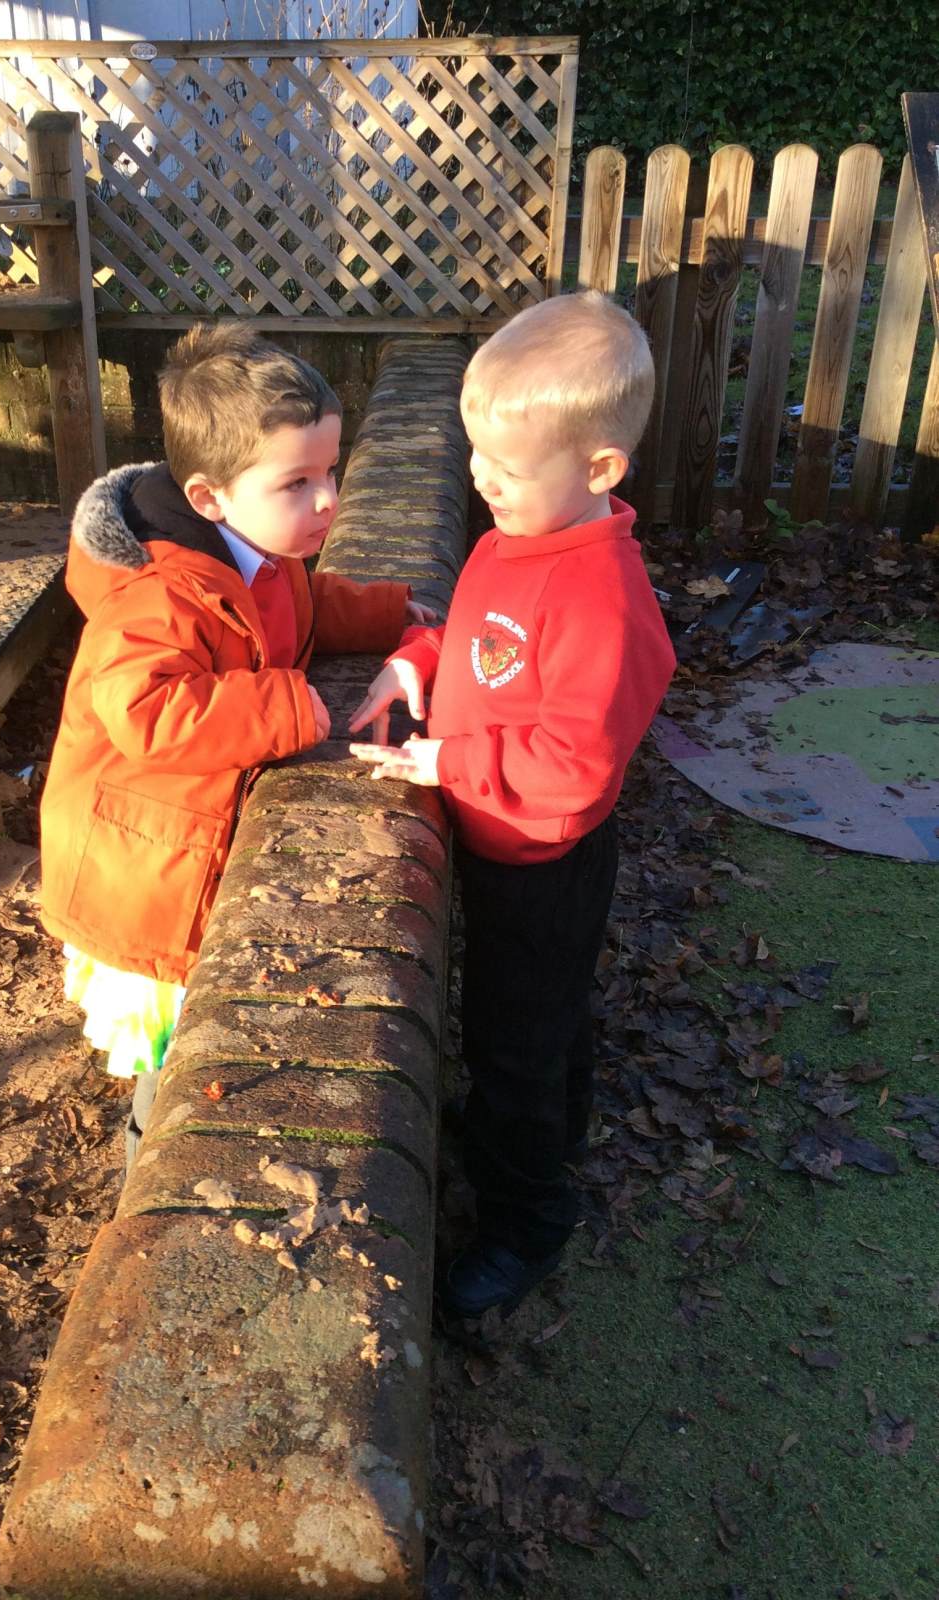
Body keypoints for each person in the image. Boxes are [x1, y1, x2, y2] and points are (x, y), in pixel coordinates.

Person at [348, 291, 676, 1320]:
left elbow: (573, 764)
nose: (481, 480)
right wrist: (417, 660)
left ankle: (529, 1217)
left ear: (599, 469)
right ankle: (550, 1127)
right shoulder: (518, 530)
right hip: (505, 842)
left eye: (507, 466)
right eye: (476, 456)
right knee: (541, 1022)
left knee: (514, 1041)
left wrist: (446, 760)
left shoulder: (603, 599)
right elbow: (479, 636)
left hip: (544, 861)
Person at [39, 323, 432, 1163]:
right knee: (177, 1051)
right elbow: (145, 710)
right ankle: (153, 1166)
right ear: (208, 497)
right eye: (297, 482)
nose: (327, 502)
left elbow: (302, 606)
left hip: (185, 840)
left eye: (331, 472)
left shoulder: (260, 546)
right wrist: (283, 704)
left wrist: (386, 611)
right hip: (149, 870)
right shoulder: (155, 597)